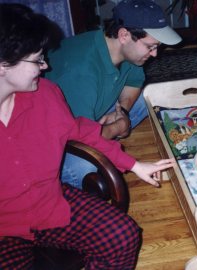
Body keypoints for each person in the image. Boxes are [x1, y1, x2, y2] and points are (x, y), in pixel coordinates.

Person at [0, 3, 175, 269]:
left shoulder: (45, 93)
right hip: (5, 229)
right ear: (3, 65)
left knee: (123, 235)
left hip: (50, 205)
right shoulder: (78, 71)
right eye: (37, 60)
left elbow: (82, 130)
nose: (45, 65)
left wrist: (135, 165)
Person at [45, 0, 182, 189]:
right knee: (88, 165)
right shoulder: (81, 71)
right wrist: (119, 127)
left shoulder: (124, 50)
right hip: (56, 143)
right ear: (124, 35)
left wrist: (123, 112)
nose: (155, 54)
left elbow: (134, 83)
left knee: (149, 97)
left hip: (87, 117)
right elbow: (79, 138)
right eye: (150, 46)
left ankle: (107, 130)